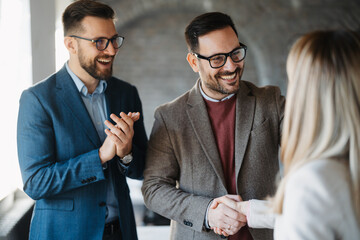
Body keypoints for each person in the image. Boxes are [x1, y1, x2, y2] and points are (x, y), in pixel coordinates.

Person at [141, 12, 284, 240]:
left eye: (236, 53)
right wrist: (207, 212)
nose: (231, 66)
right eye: (217, 59)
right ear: (193, 62)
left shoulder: (271, 100)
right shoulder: (169, 116)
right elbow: (154, 189)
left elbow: (309, 147)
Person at [211, 30, 360, 239]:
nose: (230, 65)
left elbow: (309, 207)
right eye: (217, 58)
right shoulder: (343, 169)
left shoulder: (311, 180)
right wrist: (247, 211)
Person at [17, 0, 147, 239]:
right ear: (71, 44)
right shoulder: (37, 99)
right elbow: (36, 183)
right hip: (64, 234)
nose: (111, 50)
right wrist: (100, 157)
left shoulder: (126, 93)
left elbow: (143, 169)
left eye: (114, 40)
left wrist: (126, 152)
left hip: (121, 231)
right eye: (100, 42)